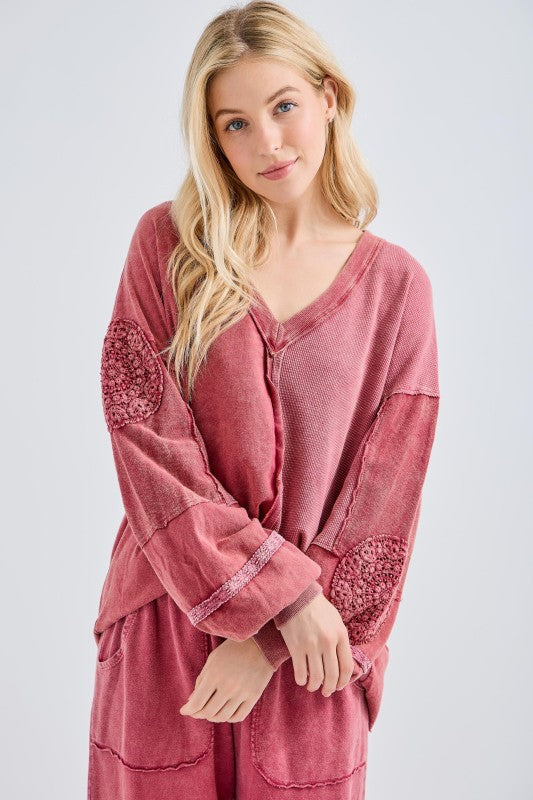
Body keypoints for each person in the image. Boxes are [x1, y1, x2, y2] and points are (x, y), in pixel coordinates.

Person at [86, 2, 440, 798]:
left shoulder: (396, 290)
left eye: (283, 106)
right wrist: (273, 596)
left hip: (316, 646)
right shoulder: (167, 250)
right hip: (167, 622)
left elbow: (385, 500)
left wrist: (273, 632)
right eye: (235, 124)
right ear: (212, 139)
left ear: (327, 97)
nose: (268, 143)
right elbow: (145, 441)